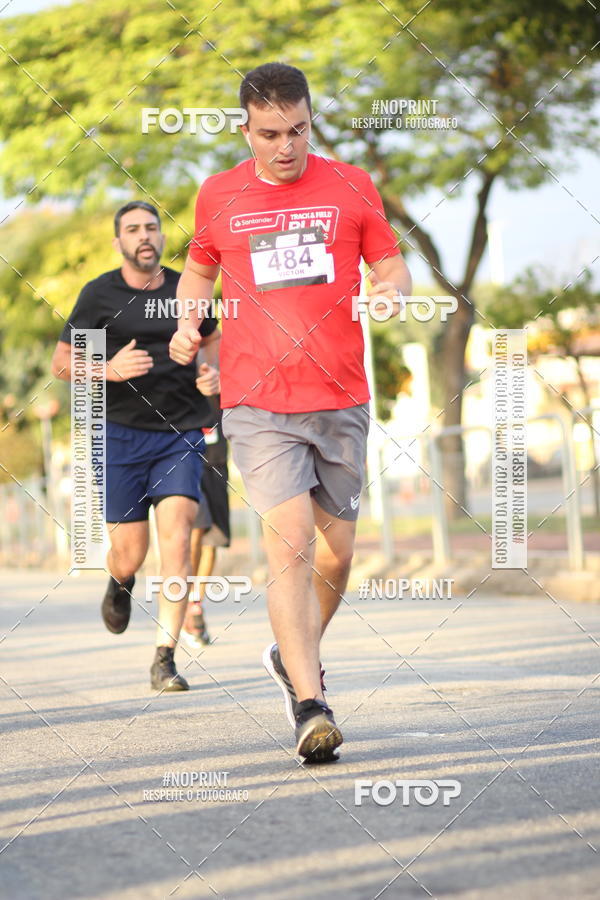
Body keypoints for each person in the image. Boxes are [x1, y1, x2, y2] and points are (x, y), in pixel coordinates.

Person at [169, 62, 412, 760]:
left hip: (340, 394)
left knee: (337, 557)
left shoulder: (350, 185)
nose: (286, 146)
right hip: (258, 400)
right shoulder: (218, 194)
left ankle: (290, 652)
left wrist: (391, 290)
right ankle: (311, 704)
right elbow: (199, 269)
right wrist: (189, 320)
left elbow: (389, 262)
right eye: (270, 134)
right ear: (245, 129)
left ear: (312, 122)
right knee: (291, 543)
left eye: (299, 130)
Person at [51, 201, 220, 692]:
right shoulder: (98, 295)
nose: (144, 236)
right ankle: (119, 582)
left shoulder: (184, 290)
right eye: (133, 230)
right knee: (129, 552)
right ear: (118, 242)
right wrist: (107, 370)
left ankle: (164, 657)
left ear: (162, 238)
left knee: (179, 535)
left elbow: (212, 340)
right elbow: (63, 363)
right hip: (120, 434)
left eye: (151, 228)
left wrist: (213, 374)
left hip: (181, 433)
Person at [181, 393, 231, 647]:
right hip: (190, 463)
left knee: (213, 542)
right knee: (195, 533)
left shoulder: (224, 370)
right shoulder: (184, 369)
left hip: (218, 465)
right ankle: (185, 605)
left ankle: (195, 605)